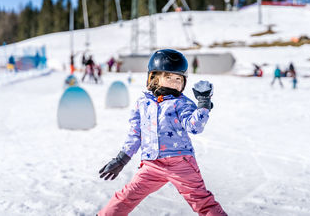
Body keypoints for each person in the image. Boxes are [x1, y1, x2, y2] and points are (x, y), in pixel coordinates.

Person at [97, 49, 227, 216]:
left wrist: (203, 105)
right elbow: (135, 134)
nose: (174, 82)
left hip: (181, 164)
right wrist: (121, 159)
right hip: (152, 165)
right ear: (154, 77)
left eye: (178, 78)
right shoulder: (143, 103)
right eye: (168, 77)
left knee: (202, 201)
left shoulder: (182, 103)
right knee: (126, 196)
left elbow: (194, 126)